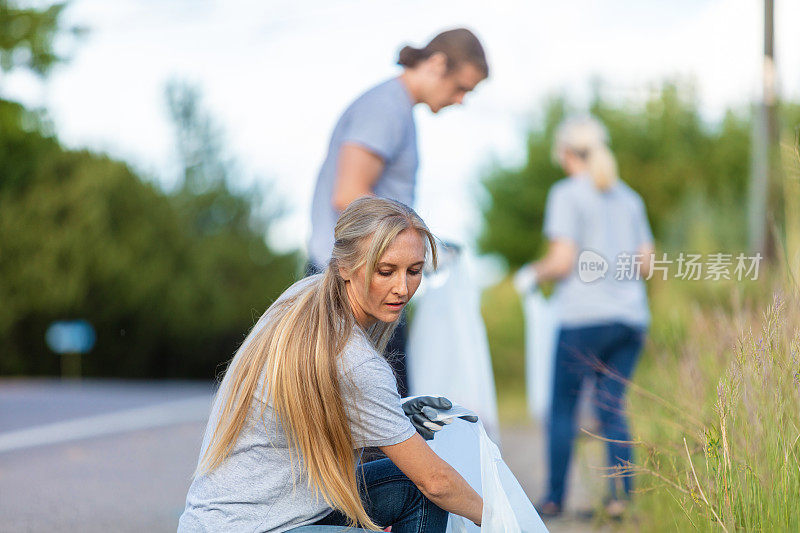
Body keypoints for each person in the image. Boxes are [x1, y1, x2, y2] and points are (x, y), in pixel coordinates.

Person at [179, 197, 483, 533]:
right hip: (256, 528)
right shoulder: (355, 362)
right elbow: (436, 482)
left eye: (413, 271)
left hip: (207, 523)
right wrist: (505, 519)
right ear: (344, 267)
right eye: (385, 271)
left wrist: (391, 414)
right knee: (430, 489)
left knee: (411, 491)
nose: (402, 288)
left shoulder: (303, 299)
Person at [307, 28, 489, 395]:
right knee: (382, 422)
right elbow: (348, 194)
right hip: (356, 286)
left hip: (370, 280)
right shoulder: (386, 107)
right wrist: (417, 243)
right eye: (461, 87)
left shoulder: (397, 109)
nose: (461, 99)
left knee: (380, 419)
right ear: (437, 64)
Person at [514, 116, 654, 519]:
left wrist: (531, 273)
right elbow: (646, 264)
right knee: (612, 405)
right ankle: (619, 500)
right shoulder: (629, 198)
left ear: (565, 153)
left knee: (562, 406)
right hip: (629, 320)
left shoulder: (567, 193)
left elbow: (562, 261)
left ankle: (555, 498)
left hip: (582, 318)